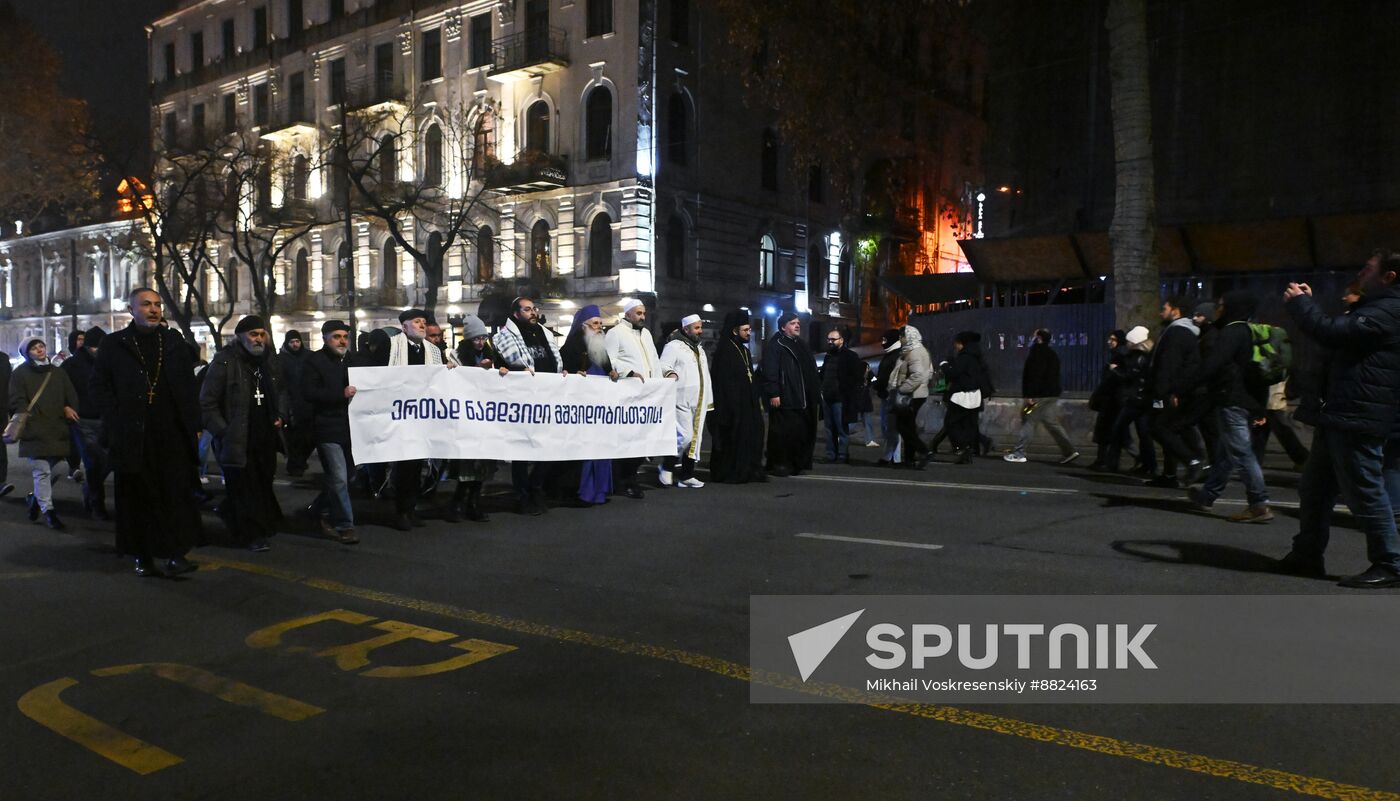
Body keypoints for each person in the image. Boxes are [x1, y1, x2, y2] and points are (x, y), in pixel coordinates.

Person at [1278, 252, 1400, 587]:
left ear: (1389, 277)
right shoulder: (1375, 307)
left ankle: (1391, 564)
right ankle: (1306, 554)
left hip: (1359, 414)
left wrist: (1302, 304)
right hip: (1342, 412)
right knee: (1314, 489)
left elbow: (1330, 332)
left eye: (1368, 268)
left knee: (1366, 491)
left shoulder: (1390, 310)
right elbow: (1339, 334)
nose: (1361, 272)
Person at [92, 288, 203, 577]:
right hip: (133, 435)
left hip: (171, 433)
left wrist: (194, 425)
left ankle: (175, 553)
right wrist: (117, 419)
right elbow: (99, 387)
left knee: (174, 495)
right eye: (146, 305)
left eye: (157, 305)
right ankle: (142, 555)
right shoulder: (115, 344)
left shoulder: (173, 342)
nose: (153, 310)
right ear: (131, 309)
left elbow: (188, 386)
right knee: (138, 499)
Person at [201, 316, 288, 552]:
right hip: (238, 439)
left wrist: (280, 414)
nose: (258, 339)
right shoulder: (225, 363)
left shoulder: (268, 362)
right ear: (240, 337)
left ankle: (245, 519)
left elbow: (279, 392)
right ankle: (250, 534)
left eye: (261, 334)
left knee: (261, 484)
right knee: (243, 488)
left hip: (265, 437)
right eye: (253, 334)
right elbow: (207, 403)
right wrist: (224, 431)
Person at [1185, 292, 1272, 523]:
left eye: (1221, 306)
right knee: (1228, 452)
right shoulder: (1251, 331)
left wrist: (1185, 385)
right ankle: (1206, 496)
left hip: (1232, 400)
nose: (1218, 310)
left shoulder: (1232, 332)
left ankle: (1258, 503)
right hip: (1248, 400)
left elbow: (1213, 365)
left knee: (1241, 453)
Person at [495, 297, 564, 513]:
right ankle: (522, 496)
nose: (533, 312)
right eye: (527, 309)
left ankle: (536, 487)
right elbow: (502, 366)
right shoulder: (503, 337)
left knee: (550, 447)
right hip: (522, 401)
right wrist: (515, 372)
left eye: (534, 309)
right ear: (516, 313)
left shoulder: (545, 333)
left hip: (548, 397)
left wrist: (563, 372)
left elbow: (555, 361)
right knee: (522, 451)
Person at [606, 298, 676, 496]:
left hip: (648, 394)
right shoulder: (615, 333)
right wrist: (627, 372)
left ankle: (630, 477)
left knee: (643, 440)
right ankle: (624, 481)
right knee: (628, 440)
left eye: (644, 313)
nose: (643, 317)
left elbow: (653, 359)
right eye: (638, 313)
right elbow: (609, 360)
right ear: (627, 314)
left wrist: (661, 379)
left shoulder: (645, 333)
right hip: (627, 394)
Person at [386, 308, 447, 529]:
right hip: (401, 414)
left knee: (418, 464)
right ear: (404, 327)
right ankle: (401, 510)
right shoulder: (392, 346)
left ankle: (411, 508)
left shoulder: (433, 350)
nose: (422, 325)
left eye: (423, 322)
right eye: (417, 322)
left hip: (423, 415)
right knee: (404, 465)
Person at [300, 319, 360, 544]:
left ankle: (318, 509)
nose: (342, 341)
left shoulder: (354, 360)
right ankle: (345, 525)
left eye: (345, 336)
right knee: (338, 478)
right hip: (328, 429)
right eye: (337, 336)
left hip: (352, 428)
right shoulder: (314, 361)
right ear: (326, 338)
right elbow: (309, 392)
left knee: (349, 477)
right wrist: (340, 394)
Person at [10, 339, 79, 529]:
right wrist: (28, 418)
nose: (39, 350)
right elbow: (17, 400)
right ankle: (49, 512)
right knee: (42, 471)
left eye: (40, 346)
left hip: (57, 429)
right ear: (26, 353)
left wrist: (68, 407)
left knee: (55, 470)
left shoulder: (57, 372)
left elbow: (70, 394)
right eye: (33, 348)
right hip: (35, 429)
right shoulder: (20, 374)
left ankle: (35, 500)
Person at [449, 314, 507, 521]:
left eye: (483, 338)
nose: (480, 342)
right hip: (467, 415)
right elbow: (458, 380)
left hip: (486, 415)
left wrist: (499, 370)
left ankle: (473, 503)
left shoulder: (492, 355)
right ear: (468, 340)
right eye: (476, 339)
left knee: (482, 463)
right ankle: (457, 503)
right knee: (467, 463)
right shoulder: (456, 356)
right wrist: (477, 370)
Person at [1147, 297, 1206, 488]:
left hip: (1169, 392)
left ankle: (1192, 461)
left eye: (1164, 308)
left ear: (1176, 310)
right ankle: (1170, 474)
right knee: (1172, 427)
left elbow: (1169, 365)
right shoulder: (1182, 331)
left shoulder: (1177, 332)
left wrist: (1165, 391)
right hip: (1176, 391)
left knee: (1159, 427)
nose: (1160, 312)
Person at [707, 310, 766, 484]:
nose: (749, 333)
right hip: (731, 407)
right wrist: (733, 406)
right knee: (732, 439)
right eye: (745, 330)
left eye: (749, 329)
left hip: (747, 405)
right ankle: (730, 472)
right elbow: (723, 384)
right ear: (734, 331)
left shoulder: (744, 351)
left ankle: (747, 469)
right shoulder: (724, 352)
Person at [1003, 329, 1078, 464]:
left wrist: (1030, 395)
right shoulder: (1052, 354)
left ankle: (1019, 452)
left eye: (1034, 336)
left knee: (1029, 419)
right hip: (1052, 394)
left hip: (1038, 395)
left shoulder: (1036, 354)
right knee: (1051, 422)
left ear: (1038, 338)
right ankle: (1069, 451)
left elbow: (1034, 376)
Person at [762, 311, 820, 477]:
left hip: (802, 399)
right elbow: (770, 371)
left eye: (798, 323)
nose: (797, 325)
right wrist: (774, 393)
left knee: (800, 433)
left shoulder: (800, 344)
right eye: (793, 323)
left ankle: (797, 463)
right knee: (783, 434)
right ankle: (780, 464)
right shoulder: (777, 344)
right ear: (783, 327)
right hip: (786, 398)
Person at [60, 326, 110, 518]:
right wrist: (66, 406)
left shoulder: (108, 362)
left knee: (106, 462)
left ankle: (89, 490)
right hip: (82, 420)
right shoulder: (71, 366)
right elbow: (61, 389)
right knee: (93, 462)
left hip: (106, 419)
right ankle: (98, 503)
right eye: (96, 348)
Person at [660, 314, 713, 487]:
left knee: (695, 440)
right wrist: (670, 373)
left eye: (700, 327)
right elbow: (663, 365)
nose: (700, 331)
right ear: (686, 329)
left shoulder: (699, 348)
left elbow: (705, 375)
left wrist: (709, 399)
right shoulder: (674, 346)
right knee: (685, 436)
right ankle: (666, 465)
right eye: (696, 328)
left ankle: (686, 475)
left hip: (699, 399)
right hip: (680, 399)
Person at [1095, 326, 1156, 475]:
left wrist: (1114, 370)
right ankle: (1148, 465)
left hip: (1132, 400)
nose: (1109, 342)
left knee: (1120, 431)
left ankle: (1117, 463)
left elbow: (1129, 377)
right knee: (1139, 433)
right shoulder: (1140, 355)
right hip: (1134, 399)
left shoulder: (1135, 356)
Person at [941, 331, 992, 464]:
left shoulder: (964, 357)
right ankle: (968, 451)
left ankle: (964, 447)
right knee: (970, 426)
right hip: (975, 396)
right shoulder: (977, 357)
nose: (955, 346)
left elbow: (954, 373)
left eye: (956, 344)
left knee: (951, 424)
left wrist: (944, 365)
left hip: (961, 396)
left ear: (961, 344)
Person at [818, 326, 866, 465]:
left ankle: (843, 455)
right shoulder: (828, 356)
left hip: (840, 399)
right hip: (827, 397)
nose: (830, 342)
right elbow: (824, 375)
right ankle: (831, 454)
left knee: (841, 428)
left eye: (833, 339)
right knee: (829, 428)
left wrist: (848, 391)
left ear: (841, 340)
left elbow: (856, 377)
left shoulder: (850, 356)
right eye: (828, 339)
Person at [889, 325, 934, 470]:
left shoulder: (914, 352)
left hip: (912, 395)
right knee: (908, 427)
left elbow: (918, 375)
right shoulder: (918, 350)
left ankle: (924, 451)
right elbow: (930, 371)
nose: (900, 340)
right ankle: (909, 459)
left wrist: (902, 389)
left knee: (903, 427)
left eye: (902, 337)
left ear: (908, 337)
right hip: (917, 394)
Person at [1088, 330, 1129, 471]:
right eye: (1109, 338)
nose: (1109, 341)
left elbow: (1120, 379)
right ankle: (1103, 461)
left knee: (1109, 432)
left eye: (1113, 339)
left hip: (1114, 401)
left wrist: (1113, 371)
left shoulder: (1120, 356)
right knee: (1108, 432)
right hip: (1111, 400)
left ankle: (1106, 462)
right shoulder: (1117, 355)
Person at [278, 330, 314, 477]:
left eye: (297, 341)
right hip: (291, 404)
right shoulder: (281, 359)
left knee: (310, 437)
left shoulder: (308, 356)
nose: (295, 344)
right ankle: (295, 464)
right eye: (292, 342)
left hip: (307, 402)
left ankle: (300, 460)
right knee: (294, 438)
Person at [875, 329, 904, 465]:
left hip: (891, 395)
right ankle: (890, 456)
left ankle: (893, 457)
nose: (882, 343)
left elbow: (891, 377)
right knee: (887, 427)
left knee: (892, 428)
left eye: (885, 340)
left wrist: (879, 384)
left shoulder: (897, 355)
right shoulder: (890, 354)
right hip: (886, 395)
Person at [0, 347, 13, 498]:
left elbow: (9, 386)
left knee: (0, 448)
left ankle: (1, 482)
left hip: (0, 412)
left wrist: (12, 412)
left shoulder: (3, 359)